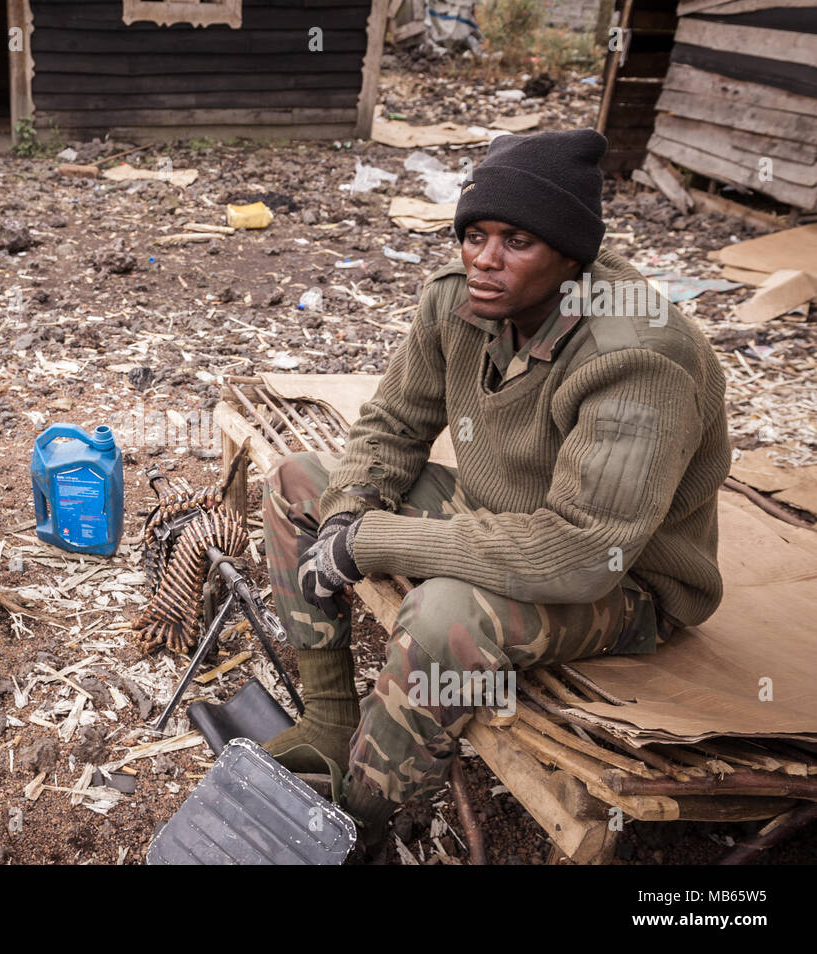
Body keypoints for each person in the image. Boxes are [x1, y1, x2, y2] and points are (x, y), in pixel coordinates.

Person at [260, 129, 731, 843]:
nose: (484, 258)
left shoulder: (639, 357)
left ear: (572, 255)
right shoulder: (461, 301)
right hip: (503, 518)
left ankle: (358, 824)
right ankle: (329, 721)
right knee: (302, 481)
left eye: (517, 240)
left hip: (622, 582)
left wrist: (375, 539)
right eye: (474, 233)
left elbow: (580, 551)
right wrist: (347, 514)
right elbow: (392, 422)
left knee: (445, 616)